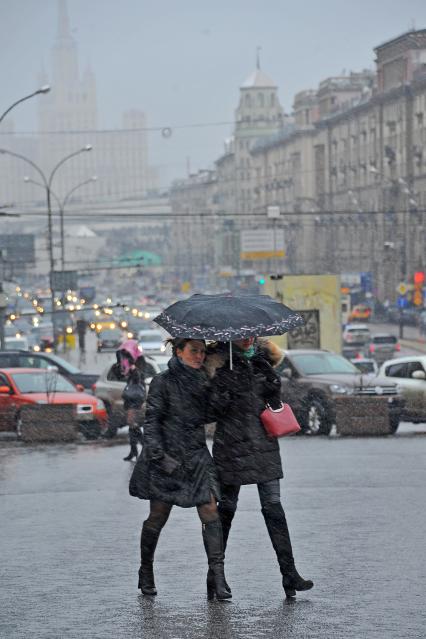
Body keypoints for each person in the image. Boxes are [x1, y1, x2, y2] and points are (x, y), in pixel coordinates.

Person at [206, 336, 313, 598]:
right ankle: (215, 577)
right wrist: (223, 387)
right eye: (241, 336)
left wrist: (272, 381)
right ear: (230, 337)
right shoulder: (219, 364)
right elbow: (211, 411)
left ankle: (289, 575)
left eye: (251, 335)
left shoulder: (262, 361)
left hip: (263, 445)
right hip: (231, 445)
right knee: (227, 509)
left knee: (274, 507)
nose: (247, 339)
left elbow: (274, 404)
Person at [129, 338, 231, 600]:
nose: (199, 356)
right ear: (178, 351)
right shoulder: (163, 381)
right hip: (168, 455)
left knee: (210, 510)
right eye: (193, 351)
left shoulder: (204, 380)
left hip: (196, 455)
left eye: (202, 352)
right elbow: (151, 422)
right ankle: (146, 571)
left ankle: (219, 578)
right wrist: (159, 457)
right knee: (158, 516)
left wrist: (219, 389)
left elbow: (210, 415)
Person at [107, 339, 147, 461]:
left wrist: (135, 370)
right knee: (131, 424)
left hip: (136, 395)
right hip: (130, 395)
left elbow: (140, 378)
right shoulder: (128, 362)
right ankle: (134, 450)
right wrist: (120, 367)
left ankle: (145, 447)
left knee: (131, 422)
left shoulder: (140, 361)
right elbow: (120, 376)